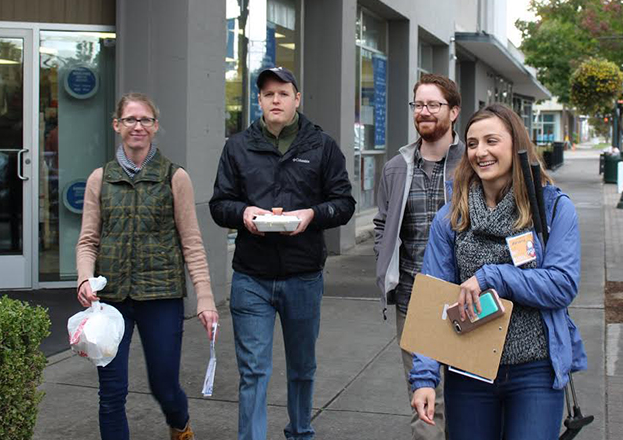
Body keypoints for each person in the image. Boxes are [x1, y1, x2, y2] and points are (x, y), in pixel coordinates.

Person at [408, 103, 587, 440]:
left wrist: (494, 277)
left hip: (535, 371)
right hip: (468, 371)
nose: (481, 152)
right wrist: (425, 378)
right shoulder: (452, 218)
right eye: (473, 144)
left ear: (516, 145)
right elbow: (433, 301)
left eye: (492, 141)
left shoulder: (552, 209)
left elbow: (562, 285)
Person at [210, 67, 355, 440]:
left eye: (283, 93)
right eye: (268, 94)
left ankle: (301, 432)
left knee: (302, 368)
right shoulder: (237, 147)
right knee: (254, 370)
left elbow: (344, 202)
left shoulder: (321, 146)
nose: (276, 100)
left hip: (303, 274)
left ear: (296, 99)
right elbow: (219, 204)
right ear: (259, 100)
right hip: (251, 277)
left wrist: (312, 214)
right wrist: (244, 213)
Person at [75, 92, 218, 440]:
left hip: (162, 296)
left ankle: (180, 425)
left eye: (145, 120)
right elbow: (88, 240)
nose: (137, 126)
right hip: (110, 302)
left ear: (155, 127)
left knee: (164, 385)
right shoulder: (100, 179)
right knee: (111, 393)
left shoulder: (174, 177)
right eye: (130, 120)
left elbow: (192, 243)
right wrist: (84, 278)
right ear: (117, 125)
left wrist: (205, 297)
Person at [373, 73, 463, 439]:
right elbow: (382, 223)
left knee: (464, 399)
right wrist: (385, 263)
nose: (424, 112)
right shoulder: (396, 167)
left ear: (453, 111)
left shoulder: (471, 163)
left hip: (465, 298)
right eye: (418, 105)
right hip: (413, 300)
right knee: (424, 399)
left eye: (433, 105)